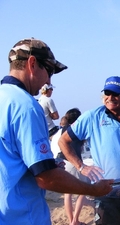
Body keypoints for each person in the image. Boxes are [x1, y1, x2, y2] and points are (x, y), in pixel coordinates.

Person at [0, 38, 113, 225]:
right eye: (49, 71)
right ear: (32, 63)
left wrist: (48, 165)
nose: (48, 81)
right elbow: (46, 178)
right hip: (23, 217)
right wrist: (93, 189)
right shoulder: (26, 106)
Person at [58, 76, 120, 224]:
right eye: (107, 93)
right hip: (104, 190)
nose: (110, 97)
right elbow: (63, 141)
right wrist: (81, 167)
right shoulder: (92, 117)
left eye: (116, 94)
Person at [56, 108, 91, 225]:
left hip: (62, 161)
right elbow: (82, 146)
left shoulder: (63, 130)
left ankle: (71, 220)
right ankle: (75, 220)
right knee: (83, 189)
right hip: (73, 162)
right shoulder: (77, 130)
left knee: (67, 193)